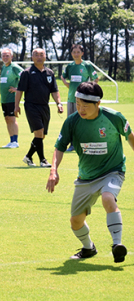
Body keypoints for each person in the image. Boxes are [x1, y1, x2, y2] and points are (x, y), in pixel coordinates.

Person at [46, 82, 133, 263]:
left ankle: (117, 245)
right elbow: (59, 147)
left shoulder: (113, 117)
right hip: (86, 177)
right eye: (77, 104)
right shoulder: (72, 121)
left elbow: (130, 137)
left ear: (98, 104)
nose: (80, 109)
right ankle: (88, 248)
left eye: (85, 106)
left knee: (108, 198)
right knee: (75, 221)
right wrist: (53, 171)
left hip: (113, 171)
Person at [15, 48, 63, 167]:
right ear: (32, 58)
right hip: (31, 106)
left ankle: (28, 156)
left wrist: (59, 103)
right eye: (36, 55)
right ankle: (43, 160)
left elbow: (54, 90)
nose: (39, 57)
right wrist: (16, 106)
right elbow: (20, 90)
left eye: (41, 54)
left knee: (42, 135)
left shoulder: (50, 73)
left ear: (45, 57)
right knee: (39, 132)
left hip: (44, 107)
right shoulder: (27, 73)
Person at [61, 44, 99, 152]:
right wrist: (66, 83)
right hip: (71, 99)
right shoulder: (70, 66)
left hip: (84, 100)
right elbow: (63, 76)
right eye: (74, 52)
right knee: (72, 122)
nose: (76, 54)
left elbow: (96, 79)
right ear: (71, 53)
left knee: (84, 120)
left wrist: (88, 89)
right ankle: (73, 144)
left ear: (82, 53)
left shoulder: (87, 65)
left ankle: (87, 143)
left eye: (78, 52)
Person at [0, 48, 23, 148]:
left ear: (11, 56)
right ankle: (11, 140)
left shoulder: (14, 67)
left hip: (12, 99)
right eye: (3, 55)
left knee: (12, 119)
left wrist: (18, 89)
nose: (5, 57)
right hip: (4, 99)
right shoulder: (4, 67)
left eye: (7, 55)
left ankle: (15, 141)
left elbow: (25, 77)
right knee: (7, 119)